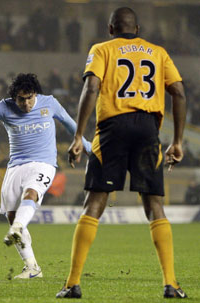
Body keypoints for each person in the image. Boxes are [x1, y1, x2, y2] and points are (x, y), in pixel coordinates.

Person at [56, 7, 187, 299]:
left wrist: (78, 135)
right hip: (148, 129)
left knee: (95, 202)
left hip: (113, 128)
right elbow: (178, 92)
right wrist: (177, 141)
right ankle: (171, 283)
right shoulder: (158, 52)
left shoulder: (102, 49)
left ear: (110, 29)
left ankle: (72, 283)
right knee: (155, 204)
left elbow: (92, 87)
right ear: (137, 29)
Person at [0, 73, 91, 279]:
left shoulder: (49, 103)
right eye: (21, 99)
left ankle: (17, 227)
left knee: (31, 192)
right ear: (14, 98)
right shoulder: (4, 106)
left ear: (36, 94)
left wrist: (89, 149)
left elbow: (73, 127)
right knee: (11, 214)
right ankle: (32, 267)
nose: (26, 103)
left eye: (30, 98)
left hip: (44, 164)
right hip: (16, 167)